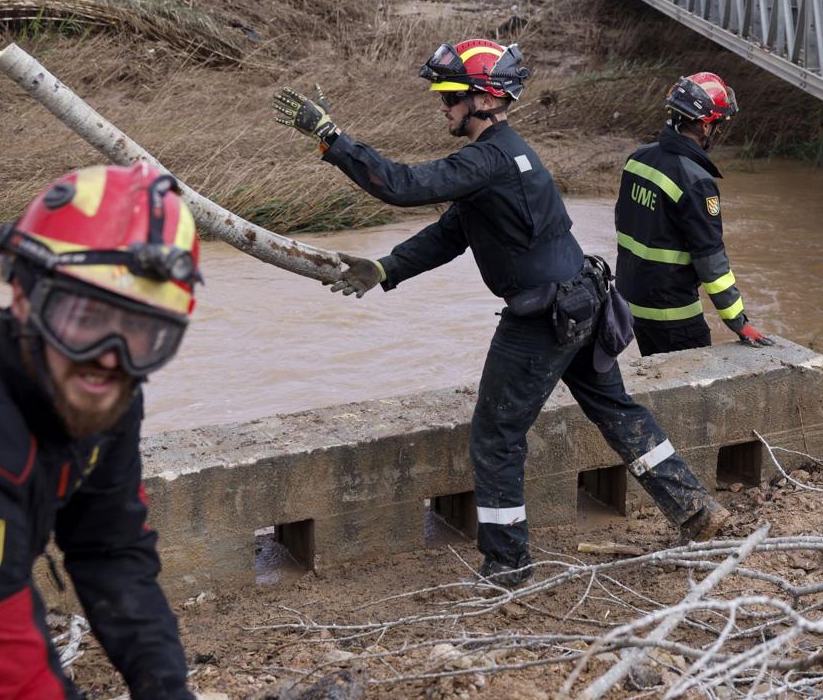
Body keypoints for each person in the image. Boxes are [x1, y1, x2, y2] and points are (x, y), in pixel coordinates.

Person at [272, 39, 730, 587]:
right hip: (582, 303)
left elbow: (399, 186)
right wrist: (387, 268)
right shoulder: (507, 154)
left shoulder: (487, 158)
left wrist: (331, 139)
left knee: (495, 438)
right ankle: (696, 510)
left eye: (449, 94)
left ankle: (508, 566)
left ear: (483, 100)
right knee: (617, 411)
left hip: (544, 318)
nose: (441, 104)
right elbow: (454, 232)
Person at [0, 163, 200, 699]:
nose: (106, 362)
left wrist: (165, 688)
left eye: (143, 332)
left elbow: (110, 550)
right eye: (84, 318)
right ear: (22, 297)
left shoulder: (106, 395)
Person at [613, 72, 773, 356]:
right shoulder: (697, 181)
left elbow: (627, 228)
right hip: (673, 314)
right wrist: (739, 323)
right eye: (717, 124)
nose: (718, 131)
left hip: (632, 304)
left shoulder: (638, 159)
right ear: (702, 124)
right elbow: (711, 262)